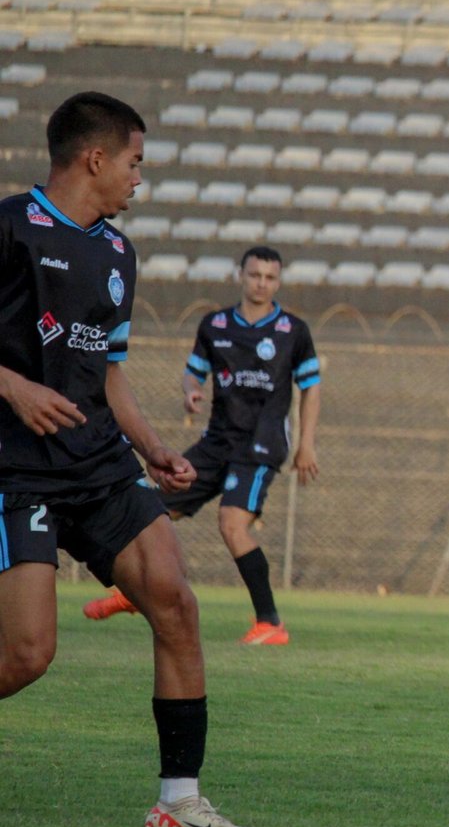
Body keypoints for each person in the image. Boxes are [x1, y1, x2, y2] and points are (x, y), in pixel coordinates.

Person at [0, 91, 250, 827]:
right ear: (96, 158)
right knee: (26, 653)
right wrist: (12, 386)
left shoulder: (117, 252)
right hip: (18, 468)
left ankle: (180, 801)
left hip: (100, 462)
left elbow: (107, 368)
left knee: (174, 599)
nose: (139, 179)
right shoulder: (11, 225)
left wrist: (153, 446)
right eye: (135, 162)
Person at [83, 246, 321, 645]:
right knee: (152, 510)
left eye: (269, 277)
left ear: (278, 282)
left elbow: (311, 387)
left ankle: (270, 623)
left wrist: (307, 444)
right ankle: (135, 592)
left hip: (261, 444)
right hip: (217, 441)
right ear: (240, 276)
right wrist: (191, 393)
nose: (261, 283)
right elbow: (192, 374)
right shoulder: (215, 325)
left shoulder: (293, 331)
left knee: (232, 523)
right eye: (255, 275)